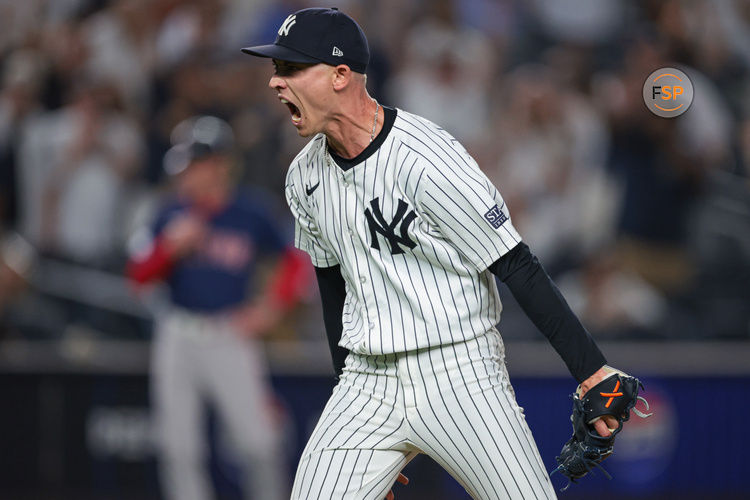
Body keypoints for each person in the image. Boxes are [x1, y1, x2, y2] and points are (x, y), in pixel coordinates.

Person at [242, 8, 623, 499]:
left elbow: (515, 263)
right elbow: (334, 290)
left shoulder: (427, 156)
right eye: (277, 69)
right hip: (365, 383)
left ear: (340, 76)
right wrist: (366, 440)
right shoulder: (303, 176)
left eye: (291, 69)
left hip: (458, 372)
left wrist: (592, 370)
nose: (275, 82)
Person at [127, 116, 303, 500]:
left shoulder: (251, 211)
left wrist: (270, 309)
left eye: (195, 165)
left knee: (258, 443)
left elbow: (295, 262)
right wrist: (168, 250)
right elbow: (136, 275)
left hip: (228, 334)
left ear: (220, 164)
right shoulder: (169, 212)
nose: (186, 175)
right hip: (176, 333)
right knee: (179, 448)